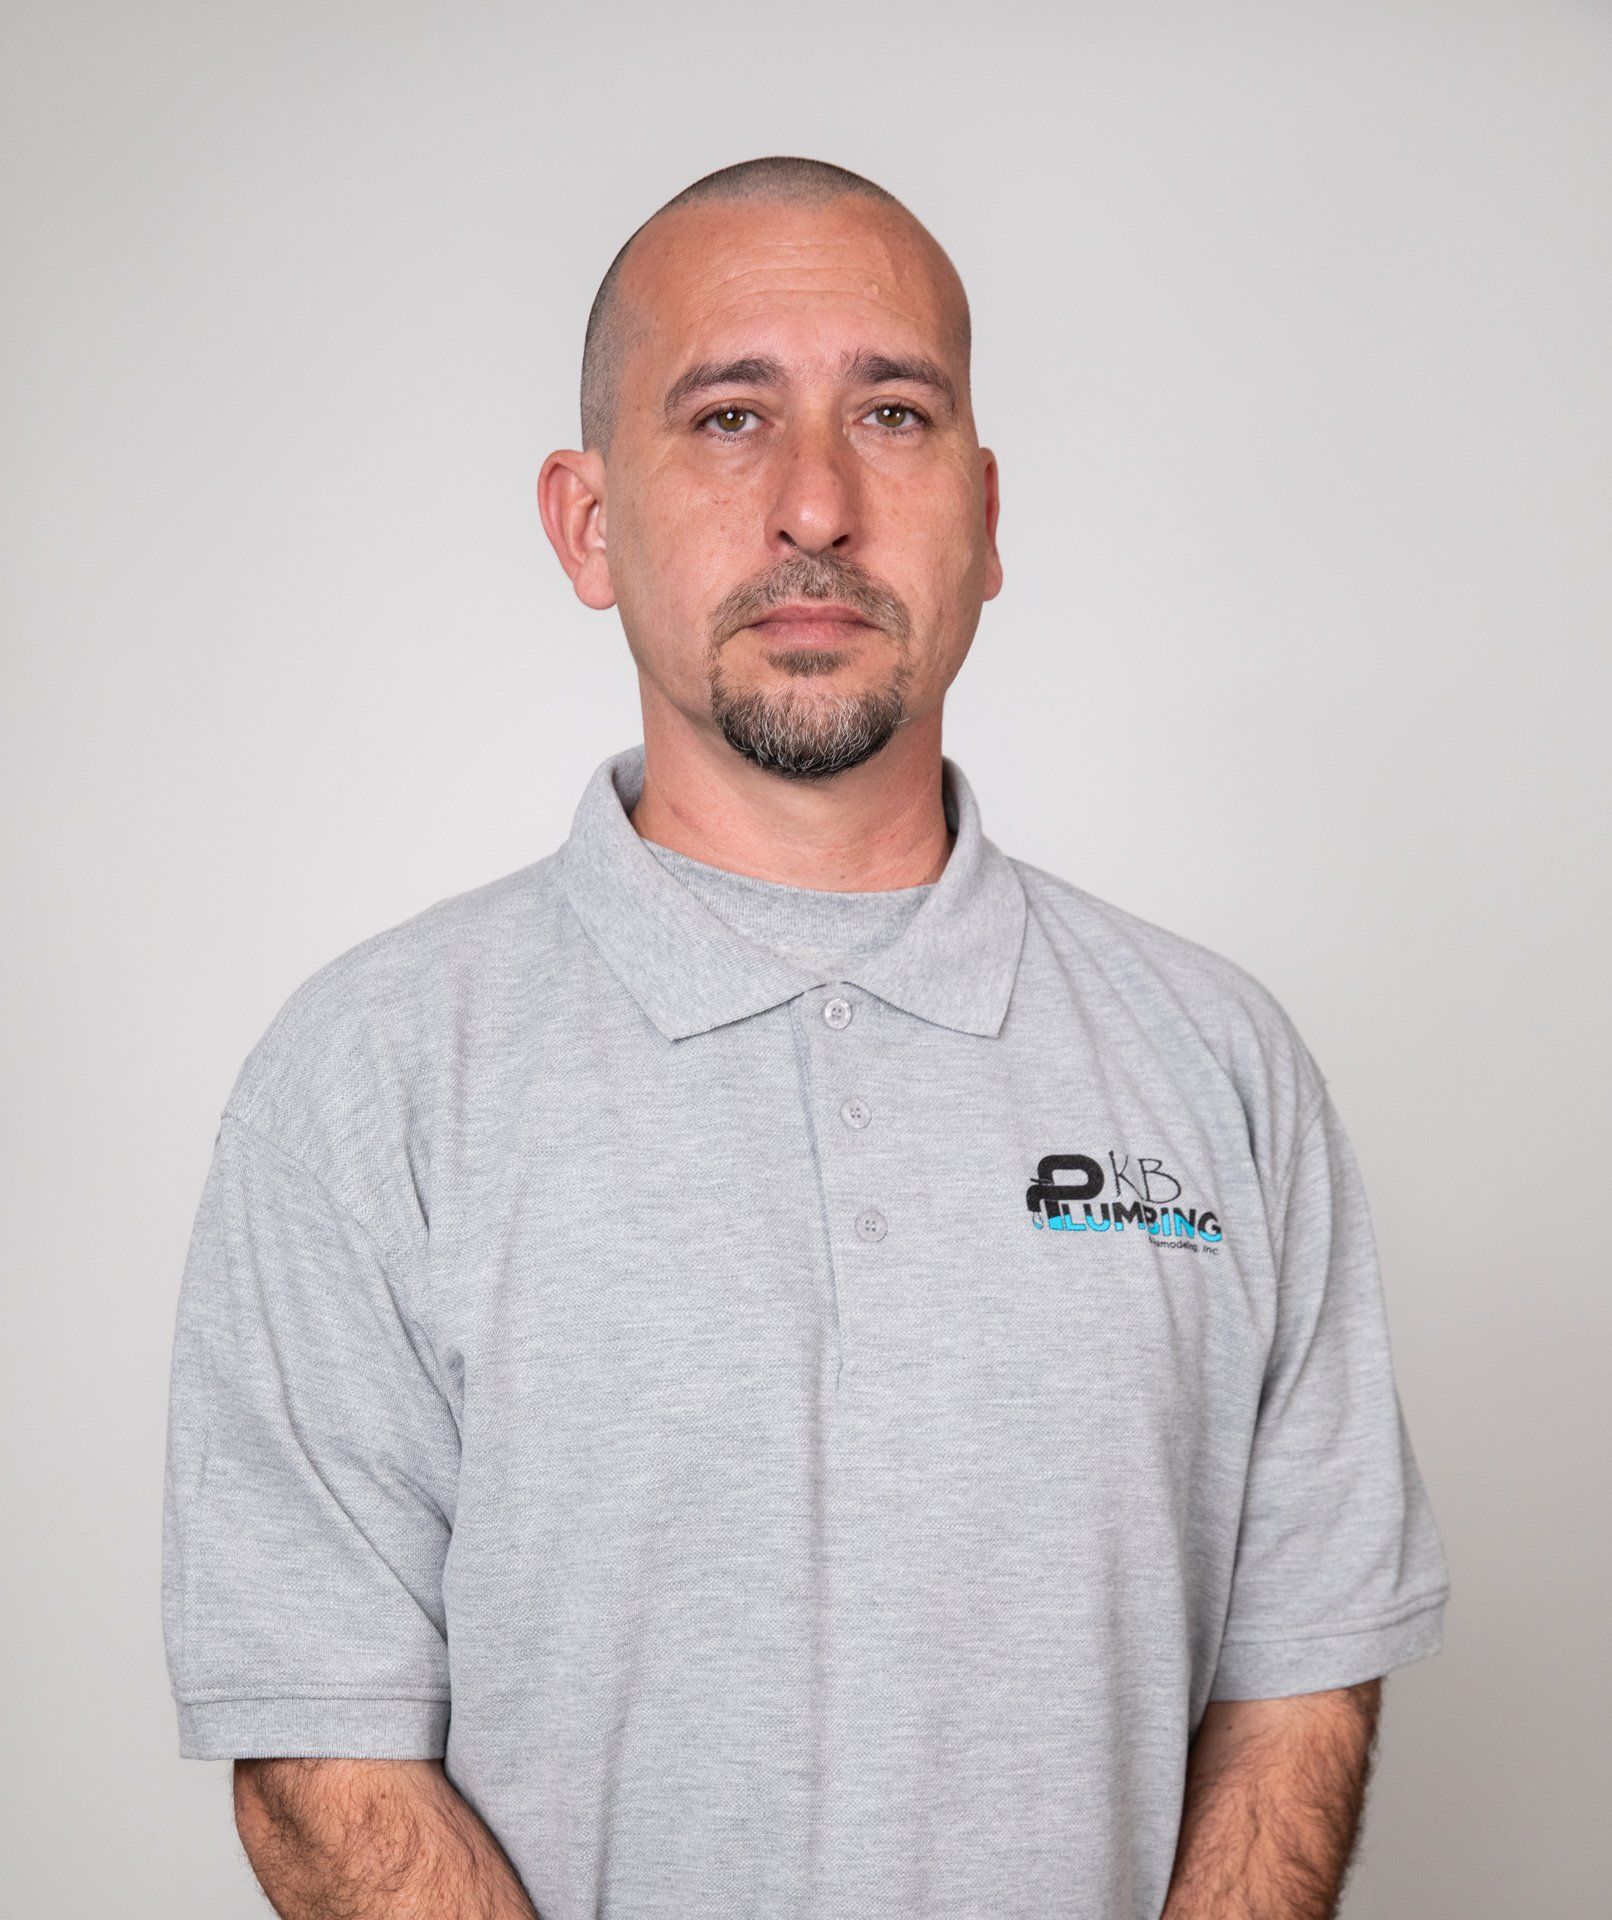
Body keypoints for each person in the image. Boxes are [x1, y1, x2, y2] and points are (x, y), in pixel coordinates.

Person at [161, 156, 1451, 1920]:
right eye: (729, 417)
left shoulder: (1217, 1065)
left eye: (894, 414)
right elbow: (322, 1750)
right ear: (589, 519)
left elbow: (1299, 1683)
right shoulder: (365, 1081)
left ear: (987, 516)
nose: (818, 505)